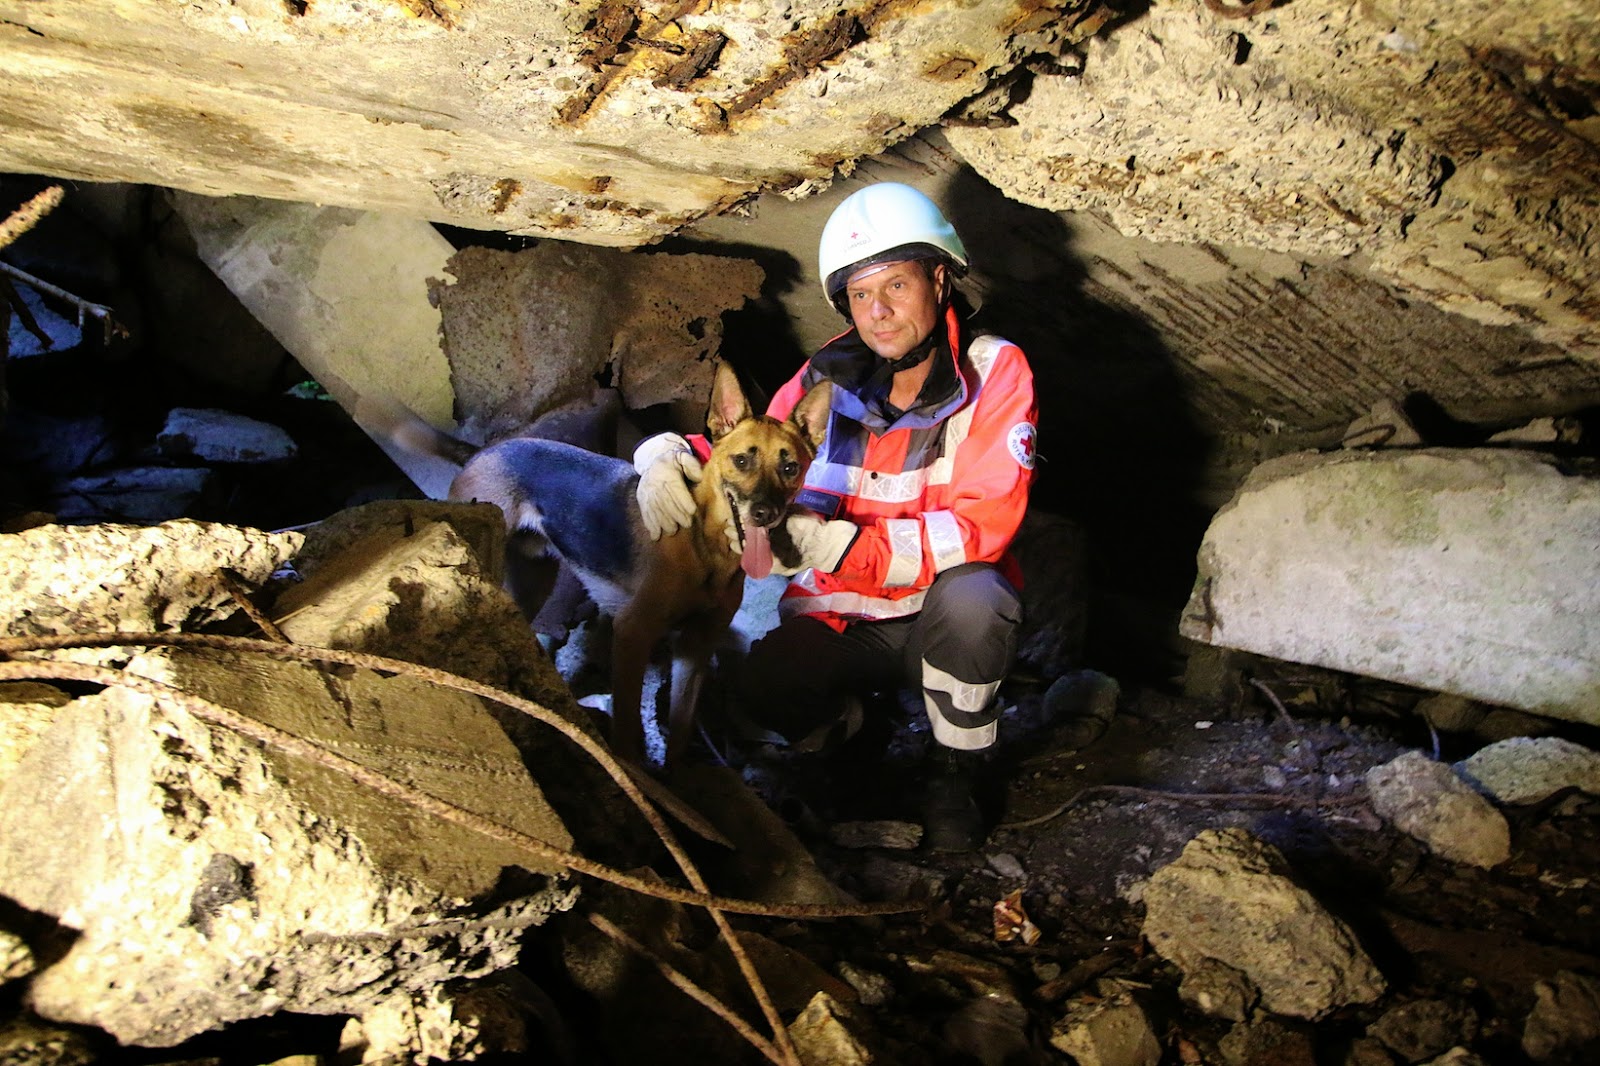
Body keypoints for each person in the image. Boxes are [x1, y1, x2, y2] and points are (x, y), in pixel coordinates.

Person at [633, 181, 1037, 850]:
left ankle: (955, 770)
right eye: (859, 295)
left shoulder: (993, 372)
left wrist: (835, 548)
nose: (877, 313)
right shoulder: (828, 376)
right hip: (845, 622)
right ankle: (852, 734)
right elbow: (751, 447)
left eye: (896, 287)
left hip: (939, 619)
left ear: (938, 279)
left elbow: (979, 531)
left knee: (978, 598)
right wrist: (666, 454)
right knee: (759, 686)